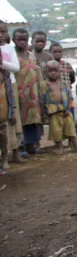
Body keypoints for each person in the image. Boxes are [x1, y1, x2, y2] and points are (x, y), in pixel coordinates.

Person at [13, 29, 45, 155]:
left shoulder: (31, 55)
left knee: (33, 119)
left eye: (24, 39)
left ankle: (32, 145)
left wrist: (41, 90)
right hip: (19, 93)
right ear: (13, 40)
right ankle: (21, 147)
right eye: (19, 39)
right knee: (19, 119)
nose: (22, 42)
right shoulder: (13, 56)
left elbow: (37, 73)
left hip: (33, 93)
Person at [42, 61, 77, 155]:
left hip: (65, 109)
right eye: (50, 71)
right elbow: (42, 99)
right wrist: (44, 112)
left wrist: (68, 108)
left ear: (60, 72)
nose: (53, 73)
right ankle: (59, 146)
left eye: (55, 71)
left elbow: (69, 96)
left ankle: (75, 145)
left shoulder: (64, 83)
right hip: (53, 111)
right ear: (46, 72)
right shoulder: (44, 84)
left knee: (70, 127)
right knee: (56, 130)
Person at [0, 25, 23, 166]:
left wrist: (2, 63)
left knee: (13, 120)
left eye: (3, 32)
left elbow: (16, 67)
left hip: (9, 86)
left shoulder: (9, 48)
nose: (1, 35)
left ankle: (15, 152)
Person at [49, 43, 76, 119]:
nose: (58, 54)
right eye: (55, 52)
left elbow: (72, 78)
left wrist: (67, 86)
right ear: (50, 52)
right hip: (54, 96)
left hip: (67, 94)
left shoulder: (67, 65)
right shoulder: (48, 66)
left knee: (70, 116)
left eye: (60, 52)